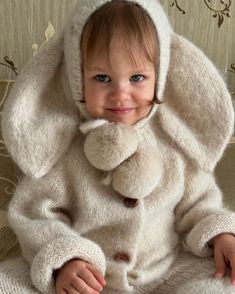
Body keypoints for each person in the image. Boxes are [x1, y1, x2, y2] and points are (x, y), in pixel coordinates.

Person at [1, 0, 235, 293]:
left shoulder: (174, 143)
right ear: (76, 79)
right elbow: (35, 214)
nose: (120, 95)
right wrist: (66, 259)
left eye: (137, 77)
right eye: (102, 78)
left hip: (165, 272)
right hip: (88, 280)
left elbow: (200, 205)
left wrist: (222, 233)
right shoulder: (63, 148)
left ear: (160, 76)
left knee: (224, 282)